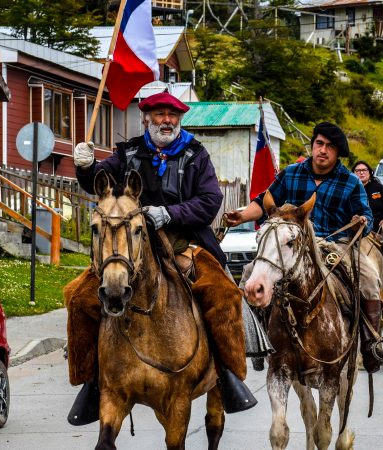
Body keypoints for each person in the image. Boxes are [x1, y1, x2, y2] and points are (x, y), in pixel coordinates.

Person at [67, 92, 256, 425]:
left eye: (172, 114)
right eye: (159, 115)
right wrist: (85, 167)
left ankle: (228, 374)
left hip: (184, 241)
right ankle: (92, 379)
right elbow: (98, 184)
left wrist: (170, 213)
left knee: (224, 295)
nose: (167, 120)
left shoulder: (196, 154)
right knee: (79, 297)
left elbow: (210, 200)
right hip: (127, 244)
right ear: (146, 119)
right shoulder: (127, 153)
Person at [225, 122, 383, 373]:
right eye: (319, 144)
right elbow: (263, 201)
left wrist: (362, 221)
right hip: (293, 245)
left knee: (369, 278)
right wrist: (242, 216)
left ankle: (371, 344)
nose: (323, 150)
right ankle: (256, 340)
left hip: (335, 245)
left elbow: (366, 216)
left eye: (329, 146)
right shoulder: (291, 173)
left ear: (337, 153)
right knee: (251, 274)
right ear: (313, 145)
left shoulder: (350, 182)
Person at [352, 161, 383, 301]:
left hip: (379, 228)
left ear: (370, 172)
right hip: (356, 229)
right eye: (357, 170)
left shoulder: (378, 188)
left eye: (364, 170)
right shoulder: (350, 188)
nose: (361, 172)